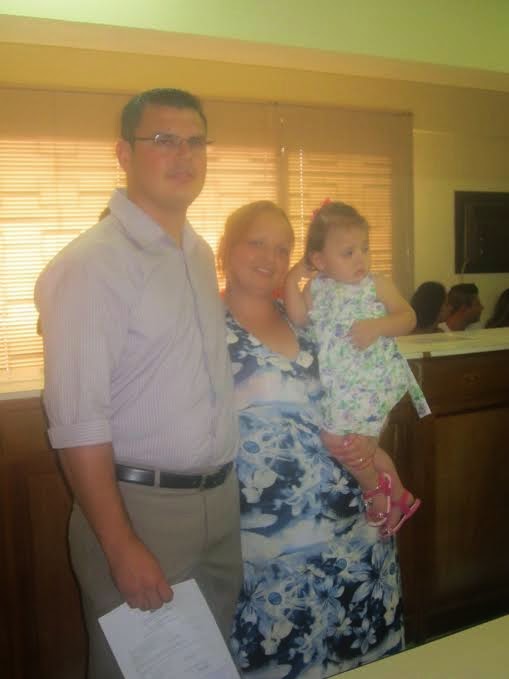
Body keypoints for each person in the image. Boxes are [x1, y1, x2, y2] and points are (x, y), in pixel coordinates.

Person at [34, 88, 242, 678]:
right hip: (140, 511)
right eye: (163, 140)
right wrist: (120, 545)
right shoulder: (91, 264)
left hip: (219, 503)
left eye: (195, 141)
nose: (184, 154)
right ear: (124, 154)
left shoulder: (197, 253)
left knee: (209, 667)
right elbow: (78, 422)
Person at [219, 201, 404, 677]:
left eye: (283, 248)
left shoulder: (312, 316)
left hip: (356, 532)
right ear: (226, 250)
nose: (271, 257)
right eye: (257, 243)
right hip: (275, 552)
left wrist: (376, 449)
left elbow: (366, 382)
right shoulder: (203, 328)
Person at [284, 201, 431, 537]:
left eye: (365, 248)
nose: (361, 259)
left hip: (372, 380)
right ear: (320, 260)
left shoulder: (376, 284)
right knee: (357, 444)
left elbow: (408, 317)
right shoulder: (316, 288)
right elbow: (299, 318)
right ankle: (400, 496)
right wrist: (294, 277)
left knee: (336, 439)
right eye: (348, 252)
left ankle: (374, 490)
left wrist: (378, 326)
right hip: (343, 386)